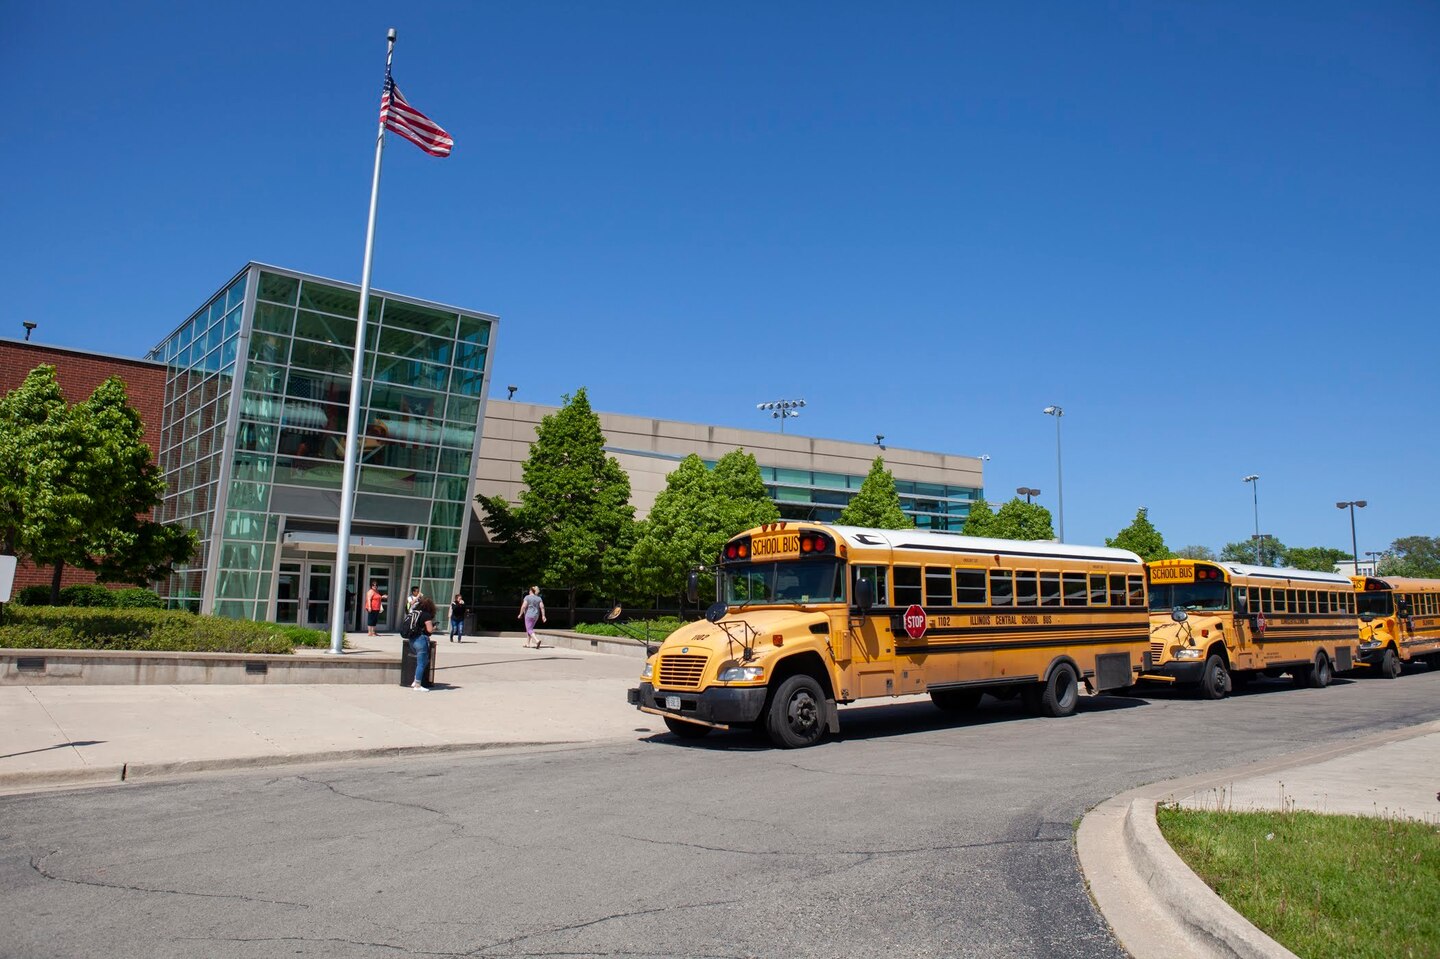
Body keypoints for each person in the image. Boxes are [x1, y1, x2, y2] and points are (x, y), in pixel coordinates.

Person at [411, 595, 437, 691]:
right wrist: (434, 628)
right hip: (421, 640)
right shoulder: (426, 615)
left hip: (412, 639)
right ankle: (417, 684)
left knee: (423, 661)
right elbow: (429, 630)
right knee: (422, 663)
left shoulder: (415, 613)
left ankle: (415, 680)